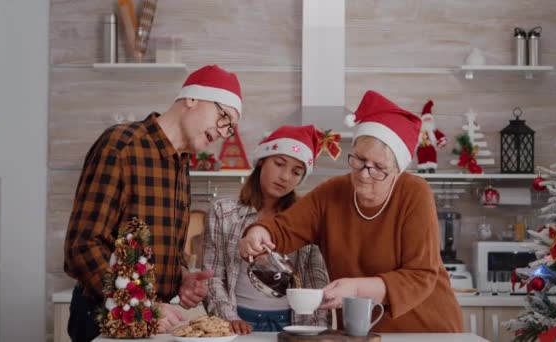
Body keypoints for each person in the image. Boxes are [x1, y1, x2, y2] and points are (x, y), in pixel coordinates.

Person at [238, 90, 463, 333]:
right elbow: (284, 227)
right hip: (361, 333)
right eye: (360, 160)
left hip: (426, 331)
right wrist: (259, 232)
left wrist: (356, 289)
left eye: (379, 168)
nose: (365, 174)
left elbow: (420, 276)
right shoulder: (333, 192)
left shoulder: (415, 193)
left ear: (398, 171)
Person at [63, 65, 243, 342]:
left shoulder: (181, 165)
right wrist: (140, 305)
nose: (223, 132)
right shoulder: (121, 145)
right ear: (192, 99)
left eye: (230, 127)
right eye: (223, 117)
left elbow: (150, 247)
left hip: (152, 321)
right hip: (106, 317)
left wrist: (180, 277)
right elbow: (82, 246)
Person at [203, 125, 330, 334]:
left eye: (296, 172)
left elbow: (315, 279)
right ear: (262, 160)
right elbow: (212, 276)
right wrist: (228, 319)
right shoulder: (224, 212)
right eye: (279, 164)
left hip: (293, 323)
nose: (285, 177)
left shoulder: (306, 219)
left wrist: (314, 330)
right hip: (239, 321)